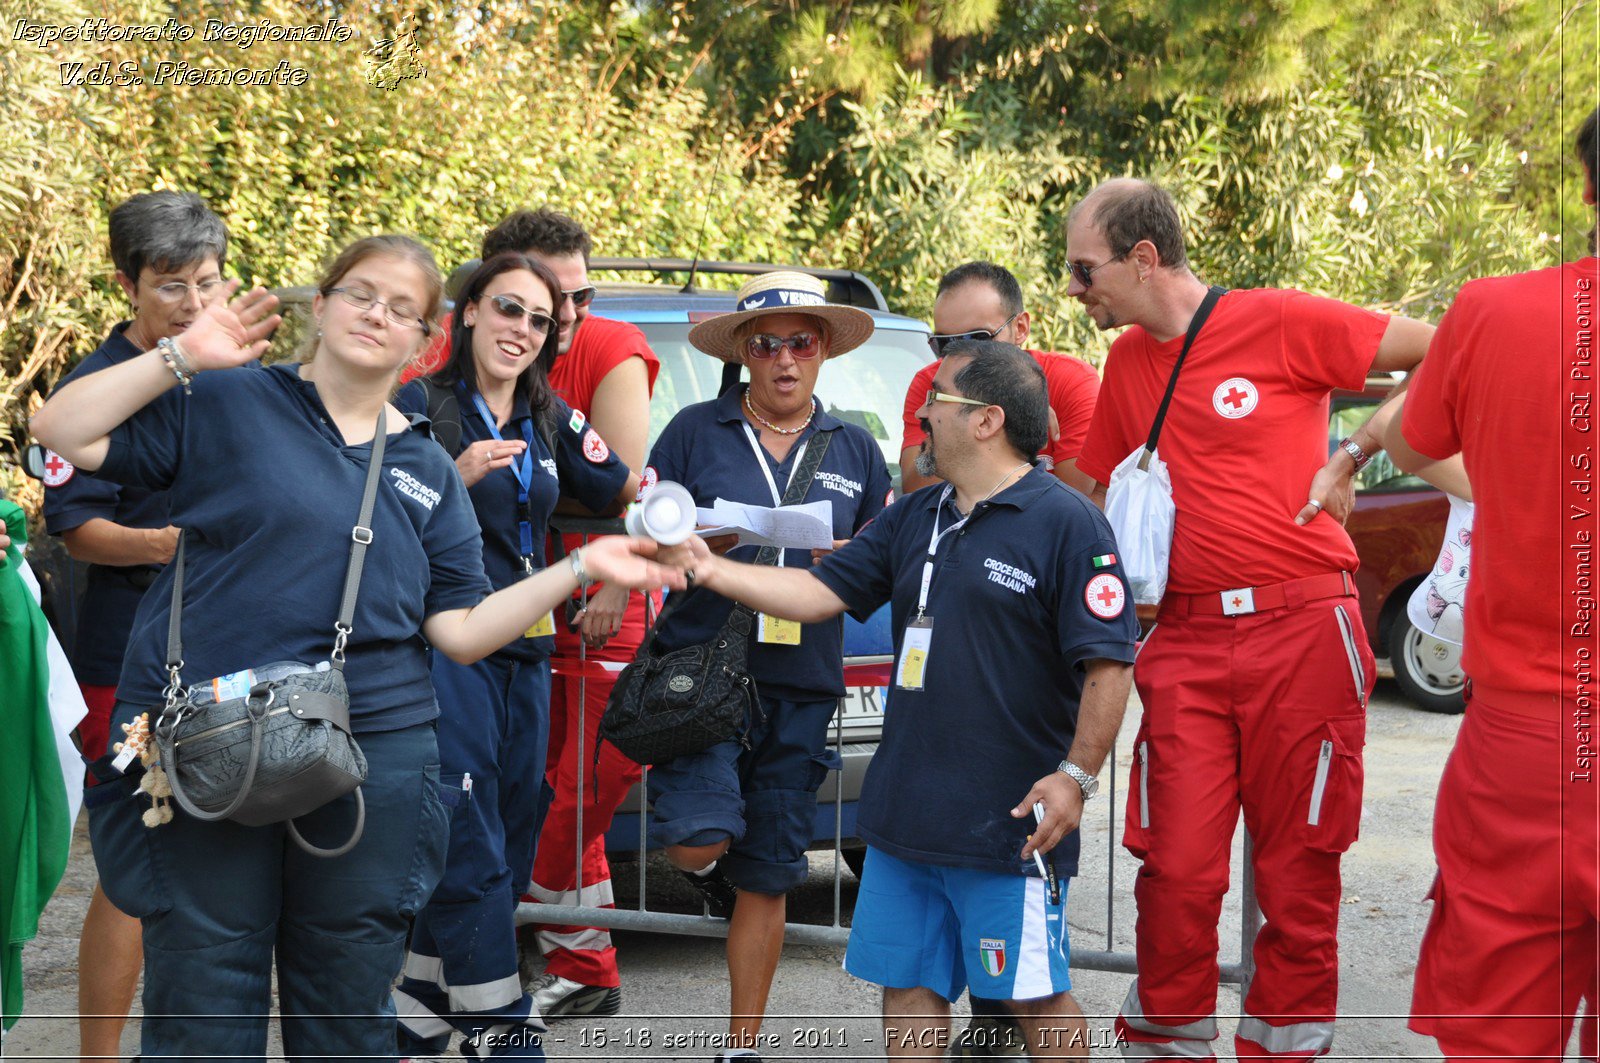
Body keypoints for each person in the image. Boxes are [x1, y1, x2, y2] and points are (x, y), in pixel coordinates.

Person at [28, 234, 682, 1059]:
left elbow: (463, 629)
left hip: (374, 756)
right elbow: (60, 428)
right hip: (214, 743)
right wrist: (179, 355)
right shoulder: (227, 401)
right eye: (363, 293)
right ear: (325, 303)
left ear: (423, 340)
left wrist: (585, 563)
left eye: (403, 309)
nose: (379, 314)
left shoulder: (429, 468)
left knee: (345, 1010)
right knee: (205, 996)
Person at [662, 339, 1138, 1061]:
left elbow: (1109, 661)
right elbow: (819, 591)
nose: (921, 411)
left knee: (1035, 993)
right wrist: (710, 567)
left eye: (937, 397)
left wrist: (1076, 776)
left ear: (986, 420)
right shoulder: (916, 516)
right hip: (904, 814)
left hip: (1008, 824)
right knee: (908, 986)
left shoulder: (1067, 521)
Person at [1068, 178, 1435, 1059]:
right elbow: (1083, 496)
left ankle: (1285, 1049)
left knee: (1298, 870)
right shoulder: (1126, 367)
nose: (1074, 291)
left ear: (1143, 258)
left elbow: (1453, 348)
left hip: (1303, 630)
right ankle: (1167, 1043)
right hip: (1185, 637)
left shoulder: (1280, 320)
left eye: (1083, 271)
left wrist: (1357, 449)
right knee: (1176, 871)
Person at [1384, 106, 1599, 1062]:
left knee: (1504, 1037)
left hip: (1527, 748)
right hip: (1532, 728)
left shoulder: (1497, 310)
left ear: (1588, 188)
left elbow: (1407, 434)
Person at [639, 270, 892, 1061]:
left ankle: (740, 1045)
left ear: (822, 352)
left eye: (800, 341)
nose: (784, 357)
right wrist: (687, 542)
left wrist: (854, 556)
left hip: (802, 680)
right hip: (703, 671)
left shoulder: (853, 446)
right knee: (692, 842)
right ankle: (710, 846)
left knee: (771, 873)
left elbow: (878, 554)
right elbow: (647, 529)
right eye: (767, 343)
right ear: (745, 353)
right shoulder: (692, 429)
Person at [389, 251, 638, 1056]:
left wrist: (670, 505)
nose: (522, 330)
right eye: (507, 309)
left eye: (540, 319)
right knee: (469, 838)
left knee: (511, 835)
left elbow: (621, 484)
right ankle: (504, 1027)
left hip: (531, 653)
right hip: (449, 652)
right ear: (467, 313)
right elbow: (374, 529)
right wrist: (453, 478)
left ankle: (416, 1018)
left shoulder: (549, 412)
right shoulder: (417, 406)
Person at [38, 190, 231, 1063]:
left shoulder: (234, 370)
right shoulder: (92, 384)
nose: (193, 305)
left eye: (208, 282)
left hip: (232, 656)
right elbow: (75, 526)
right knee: (134, 870)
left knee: (220, 865)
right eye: (170, 286)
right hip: (127, 663)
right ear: (128, 284)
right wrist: (166, 543)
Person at [479, 210, 662, 1020]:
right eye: (549, 297)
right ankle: (583, 964)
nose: (567, 314)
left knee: (574, 795)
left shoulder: (604, 351)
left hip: (595, 609)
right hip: (505, 616)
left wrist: (620, 584)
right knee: (540, 787)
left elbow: (634, 487)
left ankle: (503, 936)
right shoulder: (468, 374)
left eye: (579, 296)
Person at [901, 261, 1100, 496]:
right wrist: (968, 412)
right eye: (945, 344)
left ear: (1021, 328)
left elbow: (1075, 501)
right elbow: (915, 491)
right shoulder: (931, 383)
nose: (960, 357)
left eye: (976, 340)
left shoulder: (1070, 381)